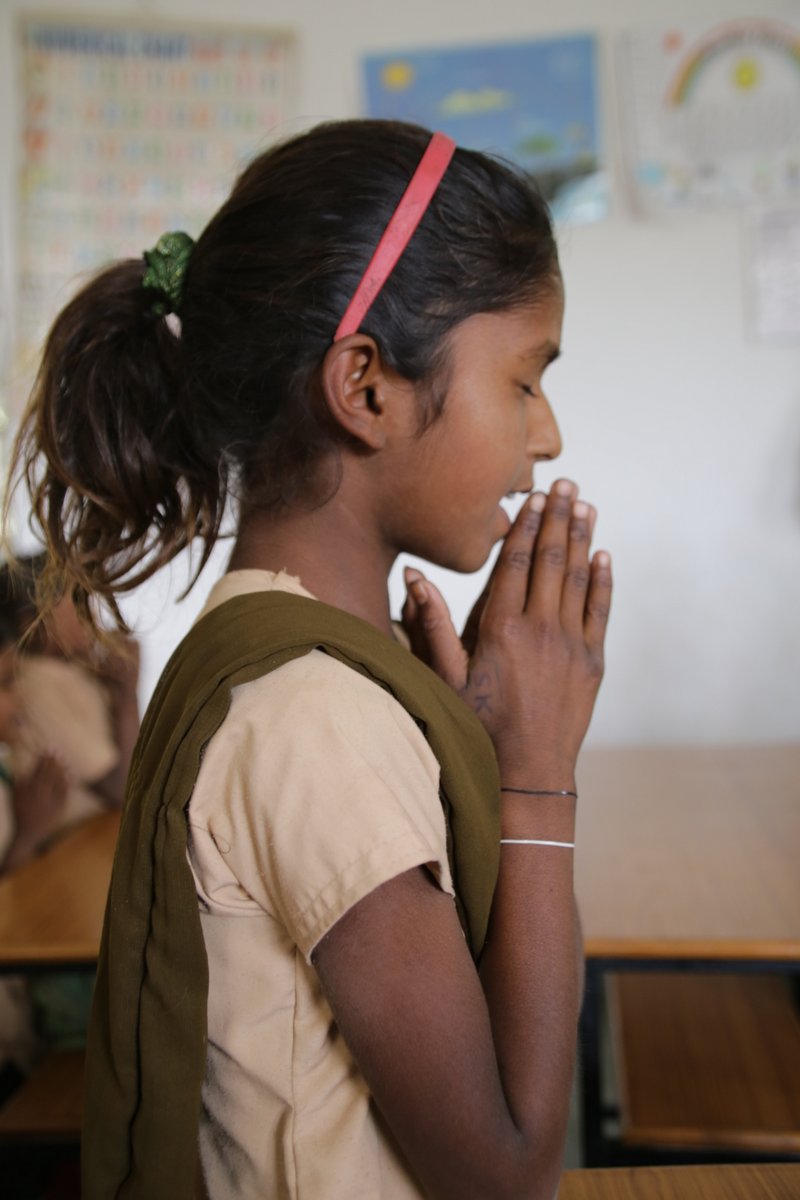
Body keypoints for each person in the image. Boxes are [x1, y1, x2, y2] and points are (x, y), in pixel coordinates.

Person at [5, 119, 612, 1200]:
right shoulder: (318, 718)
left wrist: (466, 748)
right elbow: (505, 1171)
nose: (547, 432)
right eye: (523, 380)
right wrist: (533, 773)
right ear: (365, 388)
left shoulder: (272, 650)